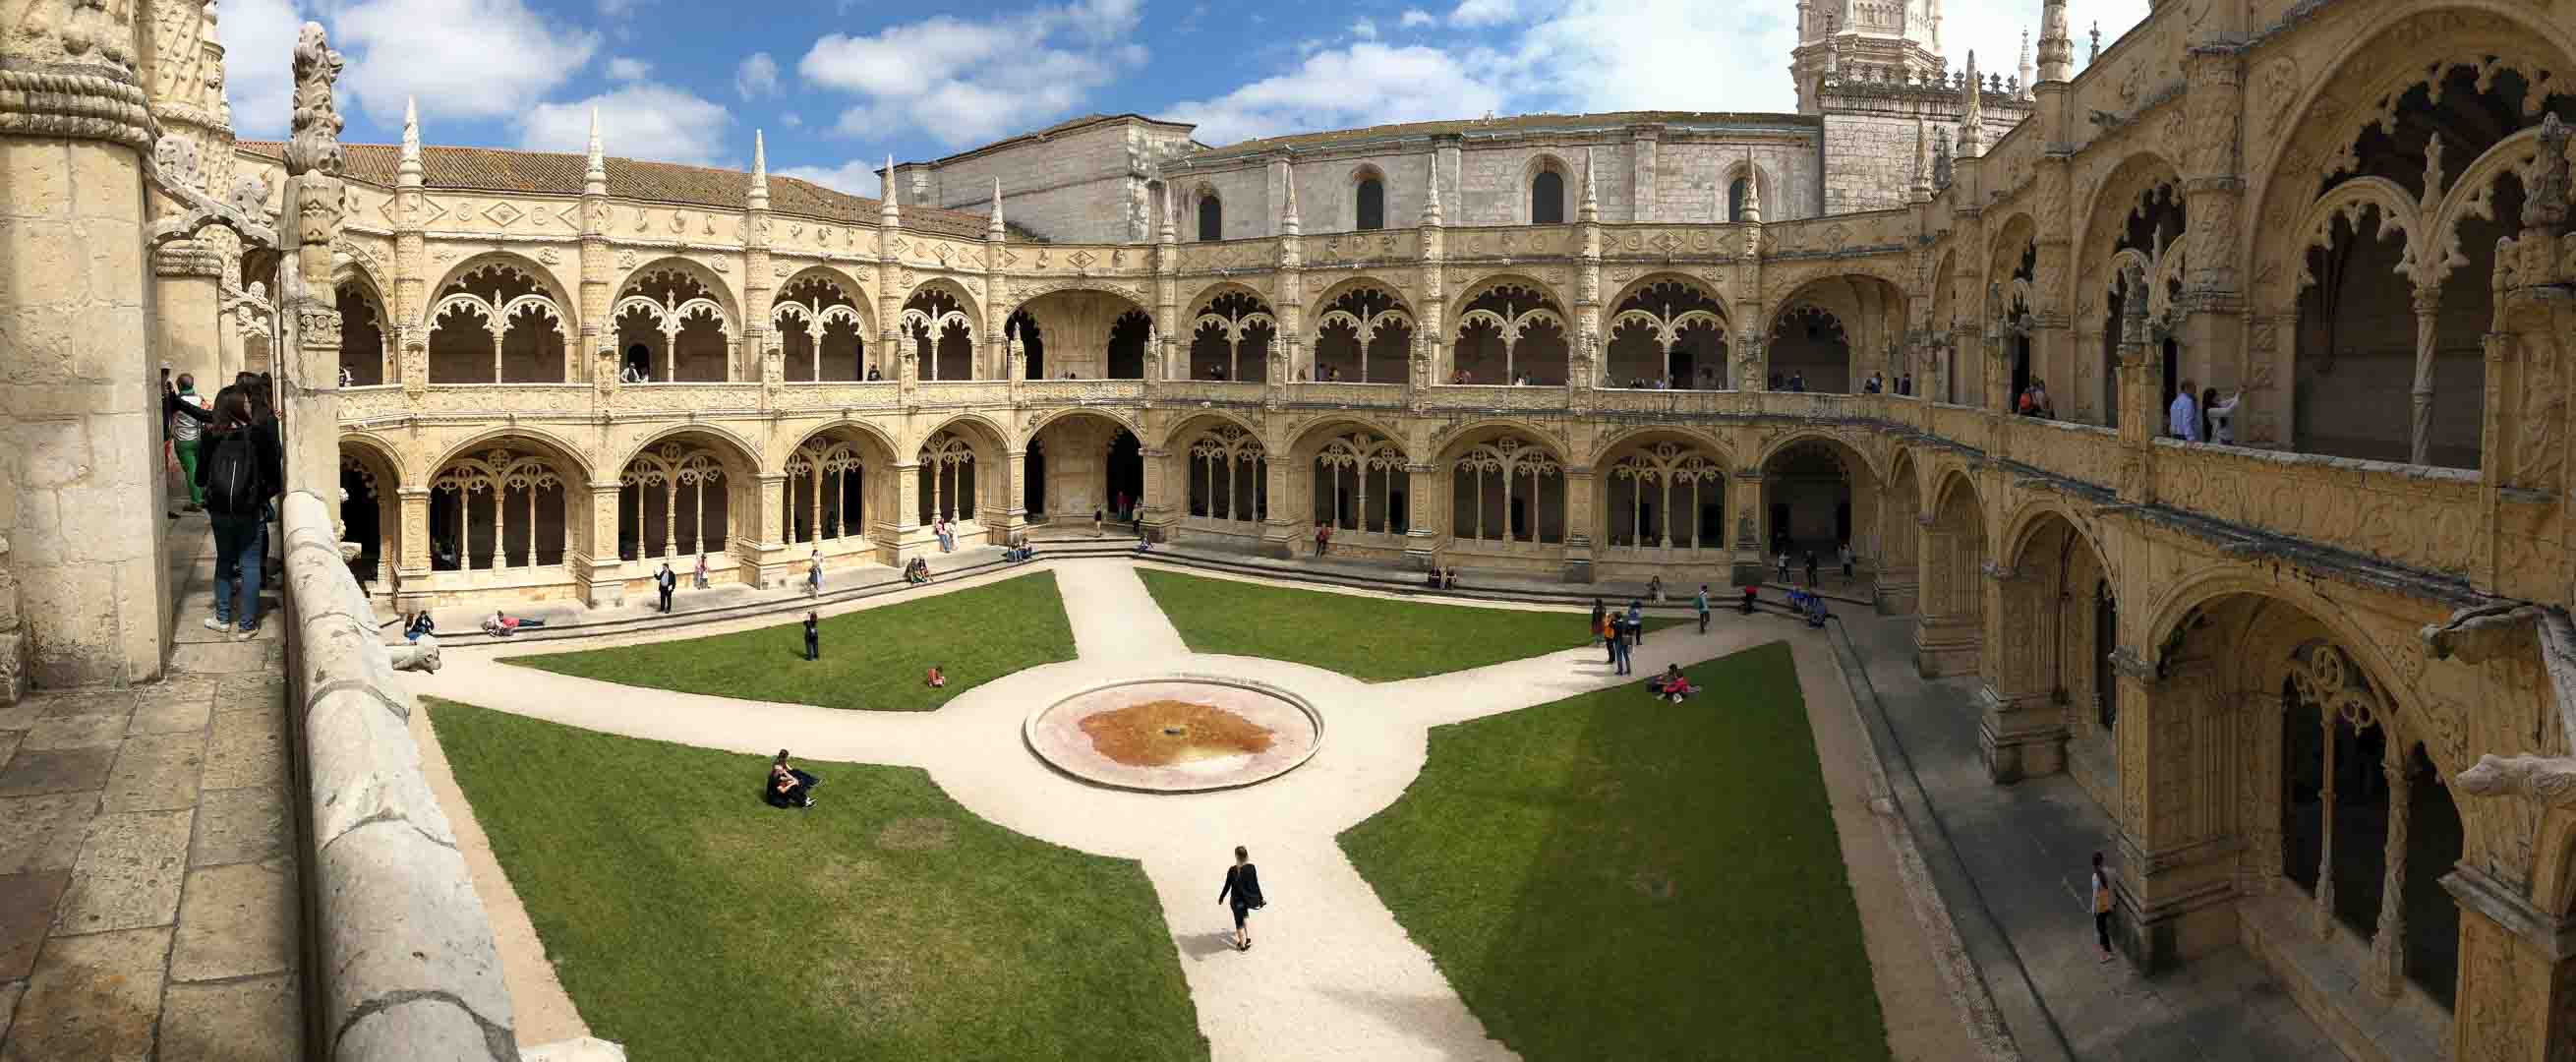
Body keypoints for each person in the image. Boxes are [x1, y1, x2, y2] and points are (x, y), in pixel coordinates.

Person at [197, 388, 280, 637]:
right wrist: (260, 497)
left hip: (220, 511)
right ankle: (247, 626)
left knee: (224, 560)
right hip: (249, 509)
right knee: (251, 564)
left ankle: (222, 618)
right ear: (235, 407)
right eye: (244, 402)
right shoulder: (256, 435)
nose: (248, 405)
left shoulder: (210, 436)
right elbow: (274, 475)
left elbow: (200, 477)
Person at [165, 372, 212, 514]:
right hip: (199, 439)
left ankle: (196, 502)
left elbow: (172, 421)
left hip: (183, 441)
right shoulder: (200, 399)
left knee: (191, 471)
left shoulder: (177, 401)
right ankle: (203, 497)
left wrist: (169, 436)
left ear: (179, 385)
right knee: (200, 468)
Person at [1218, 846, 1266, 952]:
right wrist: (1261, 898)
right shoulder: (1252, 868)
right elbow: (1256, 885)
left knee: (1239, 922)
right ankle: (1247, 938)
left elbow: (1227, 886)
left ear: (1236, 856)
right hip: (1246, 900)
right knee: (1245, 915)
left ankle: (1242, 946)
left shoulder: (1232, 870)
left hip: (1236, 902)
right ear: (1247, 856)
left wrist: (1221, 897)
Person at [2090, 852, 2115, 961]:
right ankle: (2105, 952)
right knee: (2103, 929)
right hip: (2109, 904)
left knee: (2101, 930)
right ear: (2102, 861)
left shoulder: (2095, 877)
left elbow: (2095, 895)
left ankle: (2106, 953)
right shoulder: (2110, 872)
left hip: (2100, 907)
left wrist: (2093, 908)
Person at [2169, 378, 2201, 442]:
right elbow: (2186, 421)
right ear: (2186, 388)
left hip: (2175, 435)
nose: (2195, 391)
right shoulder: (2188, 401)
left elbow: (2173, 420)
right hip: (2185, 436)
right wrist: (2191, 438)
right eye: (2194, 388)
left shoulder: (2175, 401)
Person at [481, 611, 546, 636]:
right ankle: (540, 623)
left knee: (529, 622)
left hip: (515, 620)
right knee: (529, 623)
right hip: (516, 623)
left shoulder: (495, 620)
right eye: (488, 626)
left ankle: (540, 622)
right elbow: (500, 626)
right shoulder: (497, 625)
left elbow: (497, 615)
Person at [1592, 598, 1611, 663]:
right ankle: (1598, 642)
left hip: (1600, 622)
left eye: (1596, 602)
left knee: (1600, 632)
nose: (1595, 603)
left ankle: (1599, 642)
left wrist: (1604, 622)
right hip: (1598, 622)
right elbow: (1594, 616)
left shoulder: (1601, 608)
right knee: (1597, 632)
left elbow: (1603, 615)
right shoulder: (1597, 608)